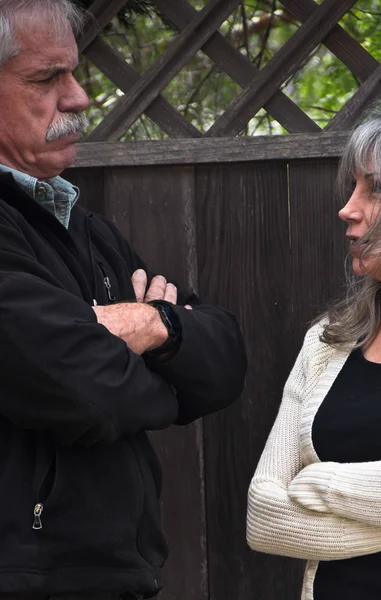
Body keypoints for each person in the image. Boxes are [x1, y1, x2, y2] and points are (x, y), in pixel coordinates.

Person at [0, 1, 247, 598]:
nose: (79, 96)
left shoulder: (84, 226)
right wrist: (165, 372)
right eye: (45, 78)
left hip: (110, 574)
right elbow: (83, 393)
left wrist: (151, 324)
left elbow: (226, 362)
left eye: (74, 72)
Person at [247, 102, 381, 600]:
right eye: (353, 187)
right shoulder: (325, 341)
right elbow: (263, 517)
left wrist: (313, 484)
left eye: (374, 188)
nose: (347, 207)